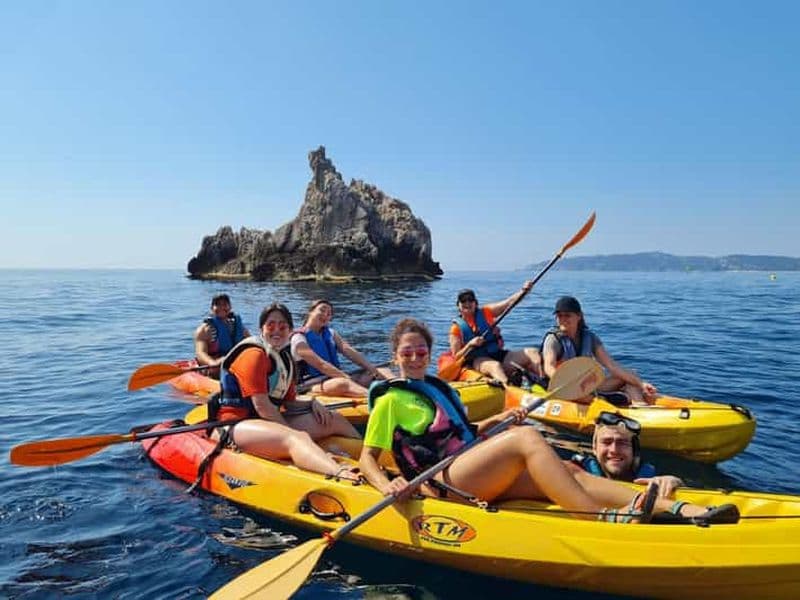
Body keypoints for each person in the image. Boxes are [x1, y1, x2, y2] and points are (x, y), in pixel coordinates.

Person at [359, 318, 734, 523]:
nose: (414, 357)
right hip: (440, 481)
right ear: (395, 357)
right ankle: (598, 519)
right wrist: (386, 486)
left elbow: (467, 435)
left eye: (420, 350)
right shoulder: (390, 400)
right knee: (526, 439)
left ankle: (679, 509)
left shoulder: (442, 389)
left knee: (571, 471)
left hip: (467, 467)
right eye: (406, 352)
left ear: (427, 353)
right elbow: (367, 459)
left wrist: (505, 416)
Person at [209, 303, 361, 480]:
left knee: (334, 419)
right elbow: (263, 407)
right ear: (261, 329)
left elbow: (288, 402)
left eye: (283, 326)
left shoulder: (284, 358)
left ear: (290, 330)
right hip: (236, 426)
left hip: (266, 423)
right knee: (296, 438)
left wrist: (312, 403)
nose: (277, 330)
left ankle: (372, 458)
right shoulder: (253, 354)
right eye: (271, 325)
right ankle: (339, 473)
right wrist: (295, 434)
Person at [541, 296, 658, 405]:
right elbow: (549, 366)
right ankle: (605, 401)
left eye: (567, 315)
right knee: (587, 397)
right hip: (563, 388)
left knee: (631, 375)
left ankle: (640, 407)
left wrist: (641, 384)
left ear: (579, 316)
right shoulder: (553, 339)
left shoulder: (590, 337)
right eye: (559, 316)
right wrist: (568, 384)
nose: (562, 319)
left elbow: (612, 366)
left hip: (585, 385)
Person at [291, 299, 394, 396]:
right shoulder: (298, 338)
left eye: (329, 314)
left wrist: (373, 370)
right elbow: (320, 364)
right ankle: (379, 400)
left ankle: (405, 390)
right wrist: (346, 378)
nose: (325, 315)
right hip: (310, 385)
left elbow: (348, 351)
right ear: (310, 312)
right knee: (343, 384)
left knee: (382, 371)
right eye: (322, 310)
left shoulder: (331, 334)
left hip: (334, 378)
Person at [569, 412, 684, 498]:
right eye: (606, 442)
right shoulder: (577, 470)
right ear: (594, 448)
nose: (614, 450)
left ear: (634, 450)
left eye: (622, 443)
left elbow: (678, 487)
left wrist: (674, 482)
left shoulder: (649, 475)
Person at [448, 285, 542, 384]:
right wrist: (470, 344)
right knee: (495, 366)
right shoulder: (456, 329)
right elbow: (456, 357)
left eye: (470, 300)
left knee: (532, 352)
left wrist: (523, 291)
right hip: (478, 360)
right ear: (458, 305)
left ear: (475, 303)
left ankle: (543, 380)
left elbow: (509, 303)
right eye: (463, 301)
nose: (467, 303)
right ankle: (508, 387)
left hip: (499, 355)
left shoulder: (486, 312)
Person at [194, 294, 250, 377]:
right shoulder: (204, 330)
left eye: (225, 304)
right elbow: (200, 353)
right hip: (215, 368)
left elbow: (251, 343)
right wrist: (213, 363)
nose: (221, 307)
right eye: (217, 305)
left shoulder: (238, 327)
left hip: (235, 365)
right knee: (217, 370)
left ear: (230, 307)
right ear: (212, 308)